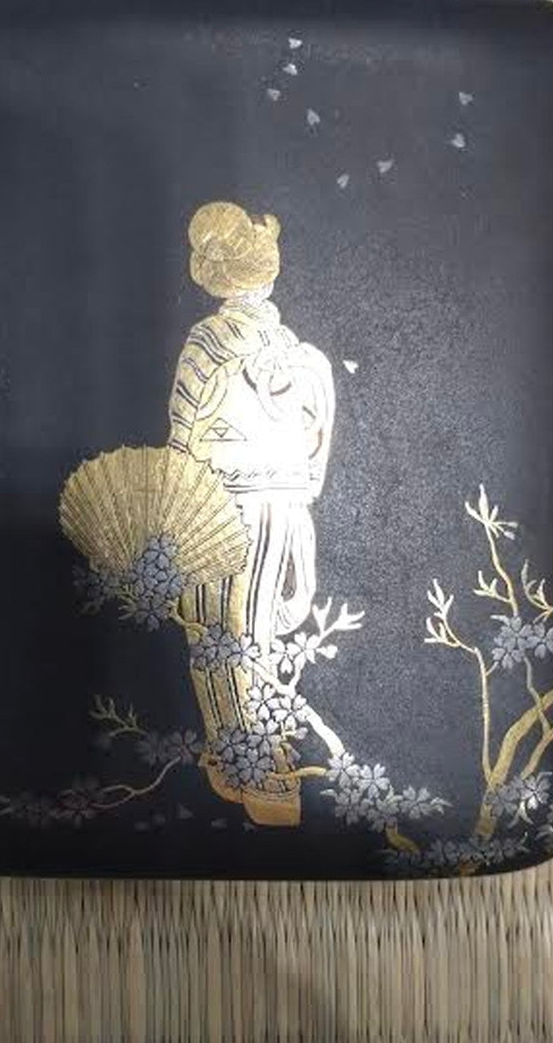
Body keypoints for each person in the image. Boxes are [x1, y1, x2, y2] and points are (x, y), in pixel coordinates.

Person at [168, 201, 335, 826]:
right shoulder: (299, 354)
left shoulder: (207, 344)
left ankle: (248, 765)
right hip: (284, 506)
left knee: (216, 632)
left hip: (220, 504)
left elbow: (182, 441)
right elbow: (315, 451)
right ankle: (265, 757)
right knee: (258, 631)